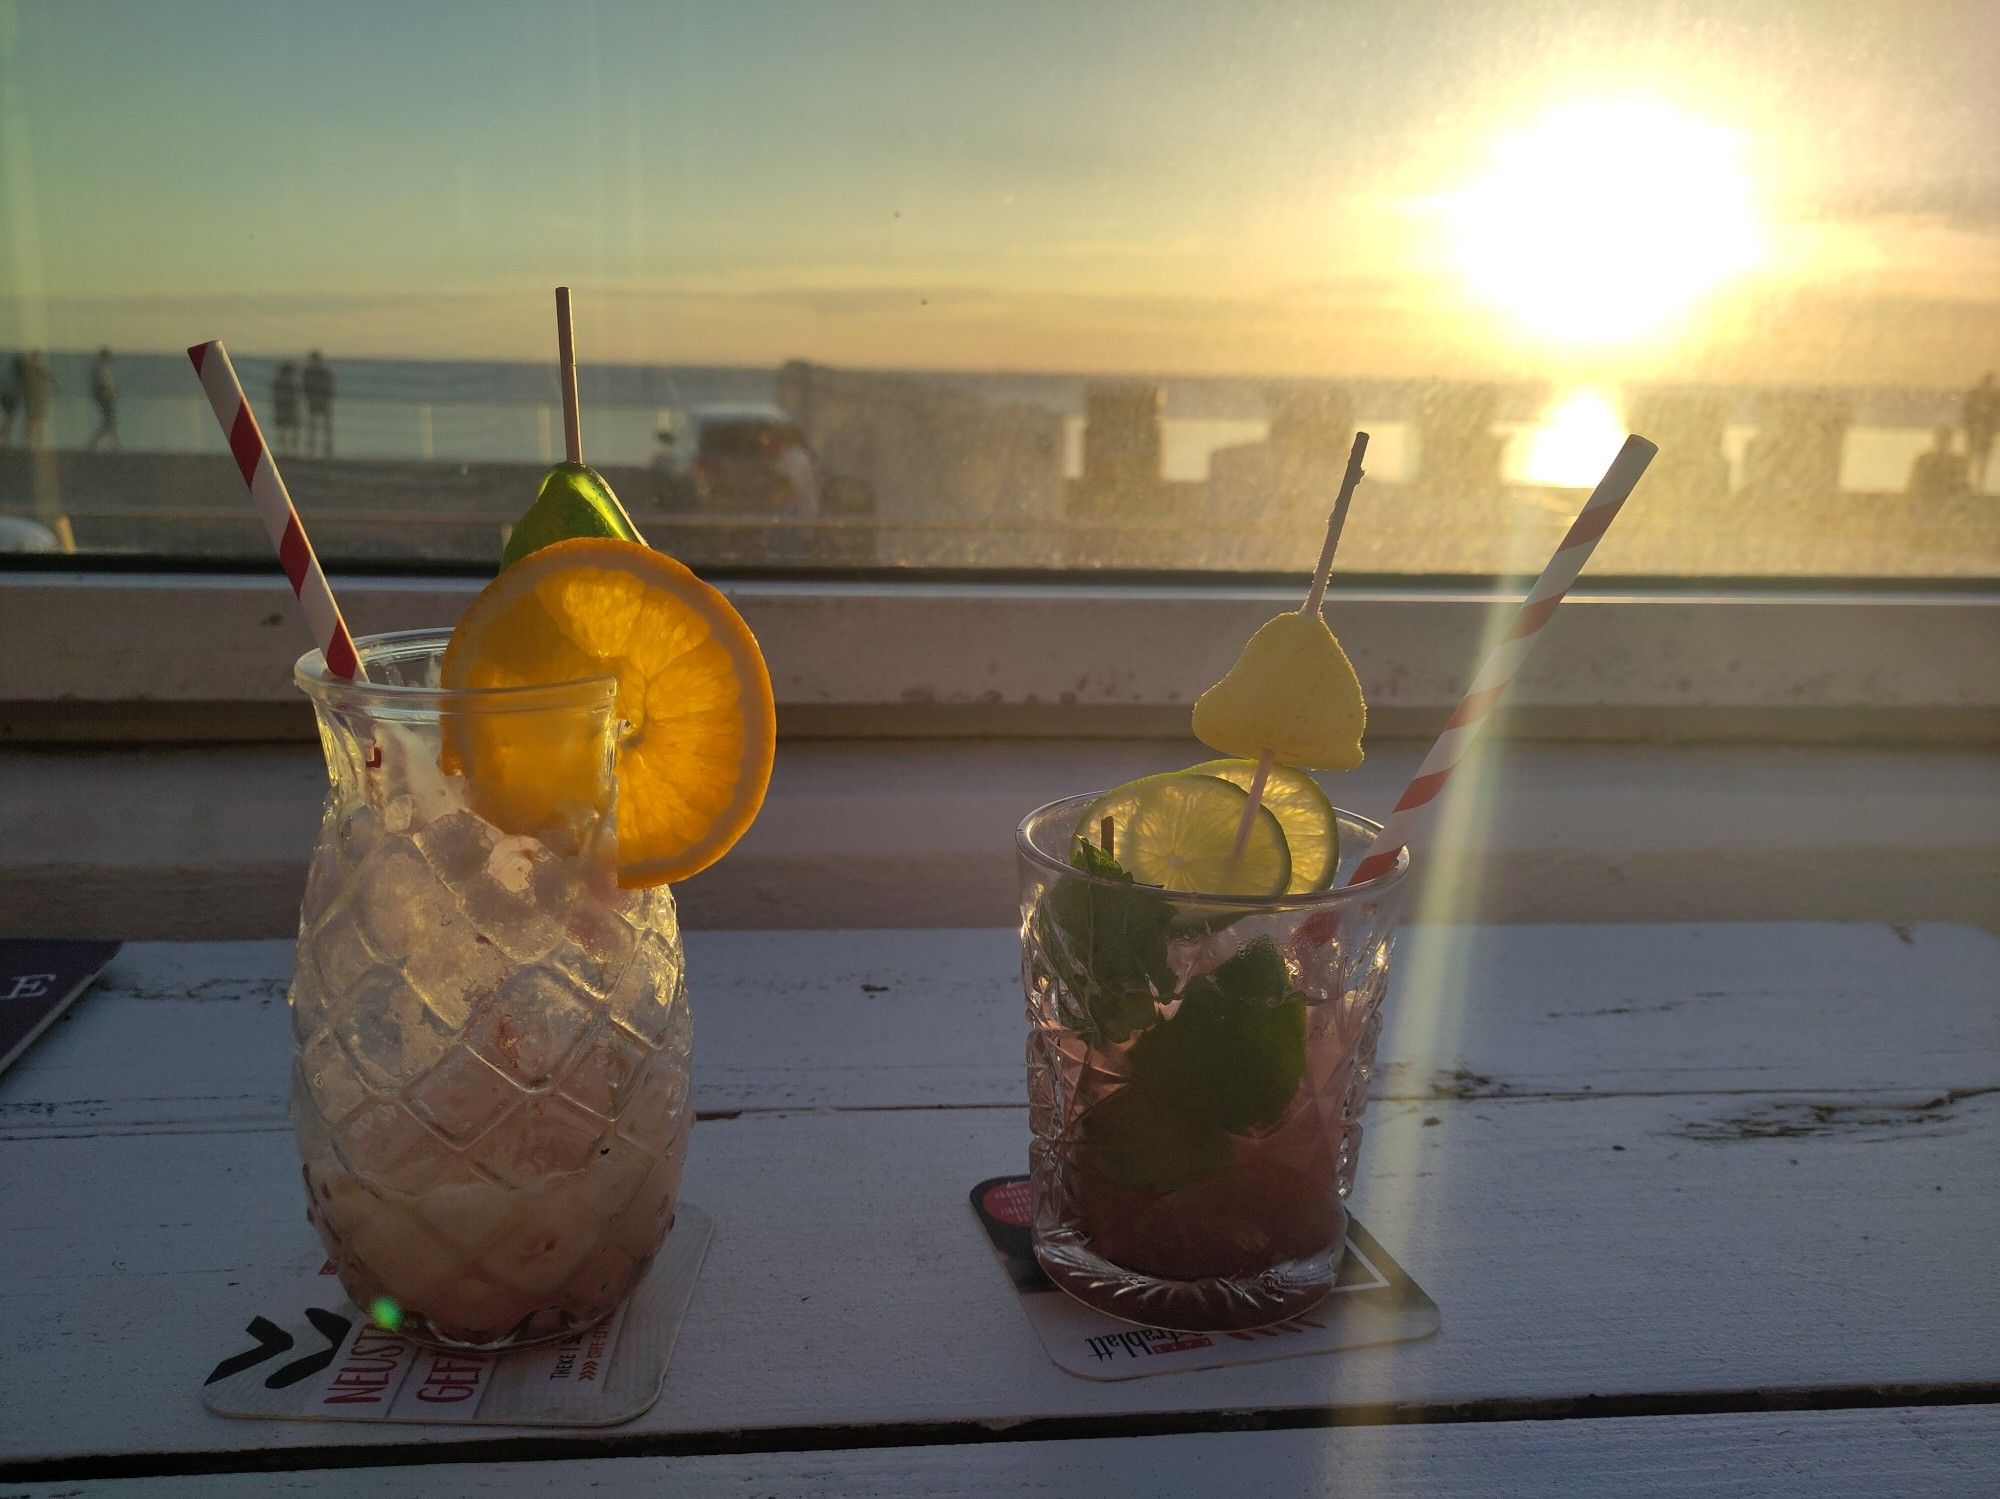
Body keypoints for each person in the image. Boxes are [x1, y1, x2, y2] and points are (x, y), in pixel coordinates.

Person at [1906, 425, 1969, 501]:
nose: (1942, 443)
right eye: (1940, 439)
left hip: (1950, 508)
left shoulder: (1958, 463)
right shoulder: (1923, 461)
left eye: (1945, 439)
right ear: (1935, 440)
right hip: (1924, 505)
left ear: (1950, 441)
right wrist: (1923, 509)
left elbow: (1962, 491)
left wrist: (1946, 510)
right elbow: (1914, 487)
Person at [1963, 371, 1998, 488]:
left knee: (1983, 461)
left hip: (1986, 435)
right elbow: (1966, 413)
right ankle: (1966, 483)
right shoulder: (1974, 395)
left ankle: (1979, 485)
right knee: (1970, 459)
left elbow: (1996, 416)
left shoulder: (1996, 397)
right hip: (1974, 434)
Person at [19, 351, 55, 450]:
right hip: (34, 400)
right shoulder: (33, 370)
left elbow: (48, 382)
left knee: (37, 422)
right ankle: (34, 444)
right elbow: (47, 383)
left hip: (36, 399)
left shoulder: (35, 370)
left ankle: (36, 444)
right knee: (34, 422)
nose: (39, 361)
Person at [87, 347, 120, 451]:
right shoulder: (102, 367)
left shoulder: (100, 367)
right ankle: (95, 442)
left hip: (105, 396)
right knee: (109, 420)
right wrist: (110, 392)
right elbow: (104, 383)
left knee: (110, 420)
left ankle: (115, 443)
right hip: (105, 396)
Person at [303, 350, 334, 456]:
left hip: (317, 401)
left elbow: (306, 387)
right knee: (318, 426)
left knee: (318, 426)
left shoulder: (312, 372)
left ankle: (321, 448)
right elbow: (329, 387)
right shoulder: (321, 372)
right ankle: (321, 448)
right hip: (318, 401)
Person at [273, 362, 303, 456]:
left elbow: (275, 397)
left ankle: (286, 450)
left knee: (283, 430)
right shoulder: (292, 382)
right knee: (294, 430)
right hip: (290, 409)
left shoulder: (278, 381)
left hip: (282, 409)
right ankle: (295, 450)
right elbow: (297, 395)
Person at [0, 355, 21, 445]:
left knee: (8, 421)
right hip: (10, 399)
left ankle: (5, 441)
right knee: (9, 421)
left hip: (7, 399)